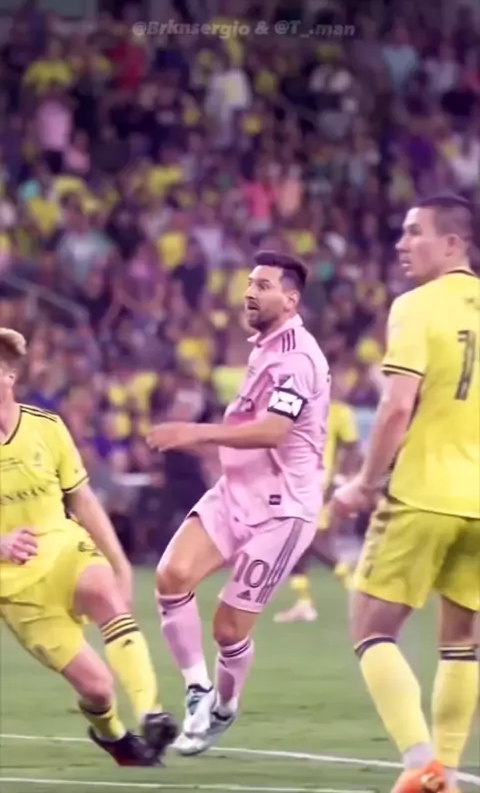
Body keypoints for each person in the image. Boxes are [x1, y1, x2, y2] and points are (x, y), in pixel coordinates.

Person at [147, 251, 331, 756]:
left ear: (290, 300)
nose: (249, 292)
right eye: (250, 282)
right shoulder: (264, 347)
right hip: (236, 492)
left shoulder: (298, 359)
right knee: (171, 577)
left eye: (263, 285)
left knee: (228, 628)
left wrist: (195, 433)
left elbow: (273, 431)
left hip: (282, 511)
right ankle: (198, 692)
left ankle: (224, 708)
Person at [332, 195, 480, 793]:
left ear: (453, 243)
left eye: (415, 232)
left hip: (423, 492)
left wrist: (365, 483)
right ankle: (445, 771)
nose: (401, 244)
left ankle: (421, 764)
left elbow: (396, 408)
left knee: (370, 628)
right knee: (462, 642)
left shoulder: (416, 306)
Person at [0, 328, 177, 767]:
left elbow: (81, 498)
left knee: (103, 592)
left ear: (9, 376)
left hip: (64, 546)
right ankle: (113, 736)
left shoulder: (46, 427)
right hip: (16, 587)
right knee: (97, 689)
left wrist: (120, 564)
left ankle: (152, 713)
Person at [274, 371, 360, 623]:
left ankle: (353, 586)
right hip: (293, 477)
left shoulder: (339, 412)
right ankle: (305, 603)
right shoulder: (297, 407)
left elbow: (351, 447)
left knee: (308, 538)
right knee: (296, 542)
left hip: (314, 479)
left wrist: (340, 478)